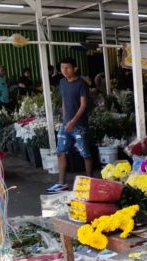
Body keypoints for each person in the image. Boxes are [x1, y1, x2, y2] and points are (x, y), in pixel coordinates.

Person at [47, 58, 91, 193]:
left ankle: (90, 182)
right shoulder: (62, 82)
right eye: (62, 68)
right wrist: (65, 119)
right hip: (66, 124)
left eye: (68, 68)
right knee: (60, 152)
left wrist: (73, 121)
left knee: (85, 154)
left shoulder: (82, 84)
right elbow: (64, 101)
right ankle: (62, 183)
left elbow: (83, 105)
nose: (64, 71)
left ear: (75, 68)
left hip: (79, 125)